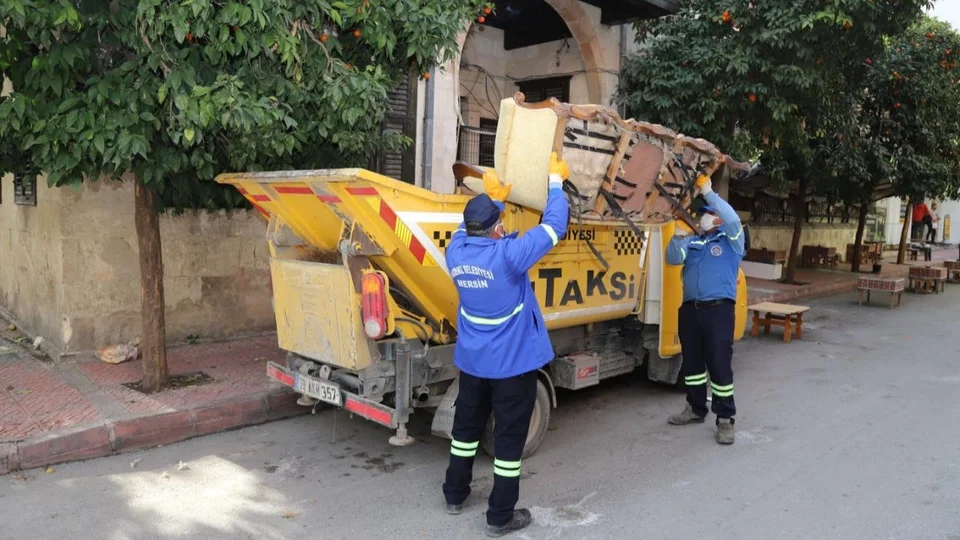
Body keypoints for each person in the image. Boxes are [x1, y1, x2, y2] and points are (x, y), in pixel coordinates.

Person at [442, 152, 570, 537]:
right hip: (511, 366)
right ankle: (500, 516)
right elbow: (554, 226)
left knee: (465, 429)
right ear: (497, 230)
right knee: (509, 441)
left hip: (473, 362)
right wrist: (554, 183)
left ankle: (454, 494)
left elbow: (469, 228)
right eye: (500, 222)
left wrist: (494, 201)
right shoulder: (509, 257)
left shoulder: (456, 251)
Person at [664, 175, 745, 445]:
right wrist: (677, 238)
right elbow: (673, 259)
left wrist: (710, 194)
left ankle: (725, 419)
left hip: (719, 311)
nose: (705, 218)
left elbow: (732, 219)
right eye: (703, 215)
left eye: (709, 213)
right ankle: (696, 408)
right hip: (690, 311)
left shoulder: (732, 240)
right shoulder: (694, 242)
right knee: (693, 364)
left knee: (720, 365)